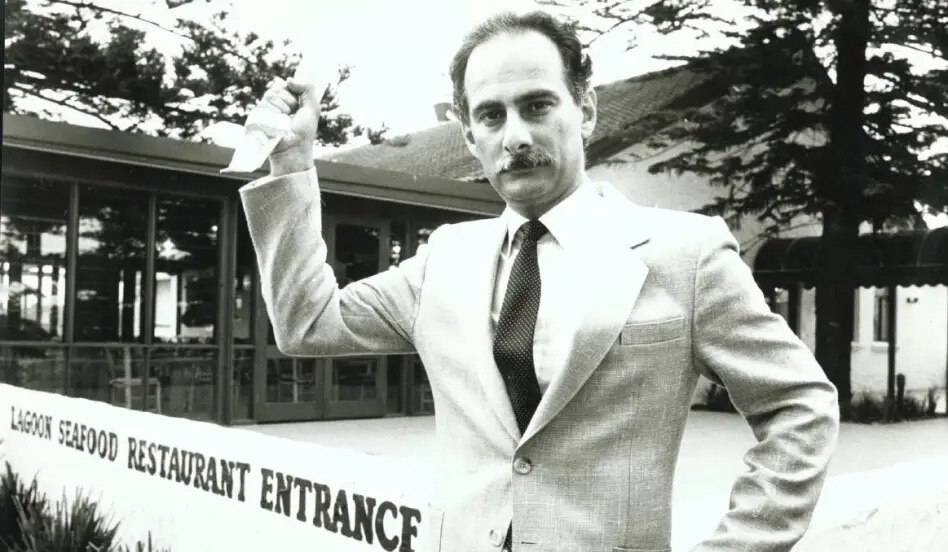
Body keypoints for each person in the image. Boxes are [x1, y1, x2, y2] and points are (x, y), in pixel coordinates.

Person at [239, 10, 839, 552]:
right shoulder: (443, 260)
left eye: (538, 105)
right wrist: (292, 165)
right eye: (491, 116)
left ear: (587, 109)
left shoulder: (686, 253)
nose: (516, 136)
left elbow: (799, 405)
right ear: (471, 138)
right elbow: (307, 323)